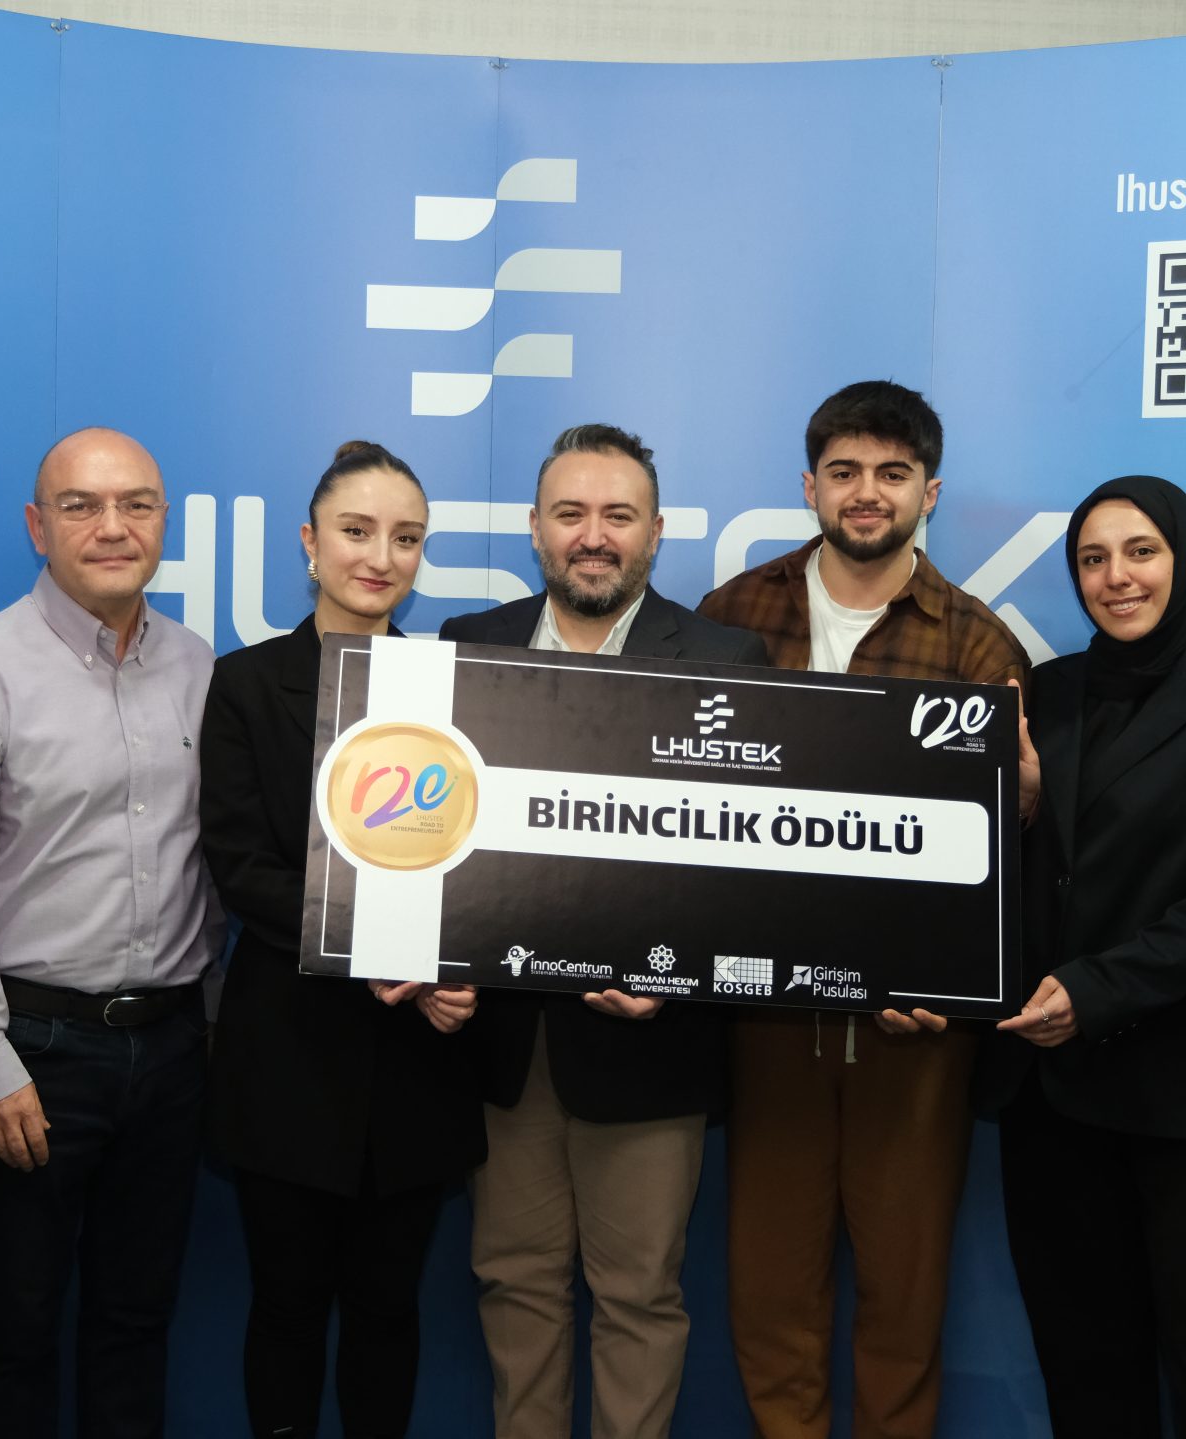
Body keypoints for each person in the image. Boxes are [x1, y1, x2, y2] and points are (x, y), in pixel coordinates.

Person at [696, 380, 1033, 1439]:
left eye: (892, 472)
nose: (866, 492)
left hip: (914, 1034)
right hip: (764, 1019)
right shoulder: (730, 617)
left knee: (904, 1300)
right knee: (768, 1295)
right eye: (844, 471)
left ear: (929, 491)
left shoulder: (976, 642)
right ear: (809, 486)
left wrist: (1021, 800)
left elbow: (997, 852)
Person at [439, 423, 767, 1439]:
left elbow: (754, 863)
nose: (594, 536)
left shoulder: (724, 658)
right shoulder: (465, 645)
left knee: (638, 1296)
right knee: (515, 1284)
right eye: (571, 513)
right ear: (535, 528)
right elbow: (426, 838)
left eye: (618, 515)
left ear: (655, 532)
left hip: (653, 1046)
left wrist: (685, 973)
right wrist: (428, 961)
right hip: (507, 1045)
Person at [975, 475, 1186, 1437]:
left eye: (1140, 551)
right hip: (1052, 1094)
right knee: (1084, 1367)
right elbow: (998, 873)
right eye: (1092, 558)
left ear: (1182, 558)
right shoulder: (1041, 695)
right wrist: (1016, 809)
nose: (1116, 577)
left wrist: (1093, 991)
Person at [0, 426, 224, 1438]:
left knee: (136, 1328)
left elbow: (210, 863)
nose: (112, 526)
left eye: (135, 503)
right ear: (36, 526)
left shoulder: (198, 665)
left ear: (163, 521)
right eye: (81, 505)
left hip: (171, 1051)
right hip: (34, 1053)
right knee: (16, 1336)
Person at [200, 440, 486, 1438]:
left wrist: (458, 972)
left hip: (418, 1058)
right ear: (310, 542)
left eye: (406, 538)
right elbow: (241, 866)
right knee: (286, 1307)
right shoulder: (244, 684)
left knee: (387, 1309)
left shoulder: (456, 687)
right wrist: (382, 951)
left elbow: (485, 872)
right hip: (289, 1052)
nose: (381, 556)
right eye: (357, 531)